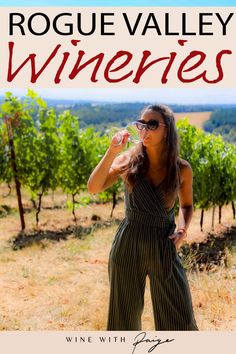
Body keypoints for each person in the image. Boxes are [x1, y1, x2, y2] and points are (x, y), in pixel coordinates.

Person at [87, 104, 198, 331]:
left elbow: (187, 205)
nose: (144, 129)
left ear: (167, 130)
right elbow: (93, 187)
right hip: (129, 242)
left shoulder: (181, 168)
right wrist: (112, 152)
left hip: (163, 243)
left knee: (180, 318)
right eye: (141, 124)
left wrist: (183, 230)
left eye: (152, 124)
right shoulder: (128, 160)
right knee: (123, 318)